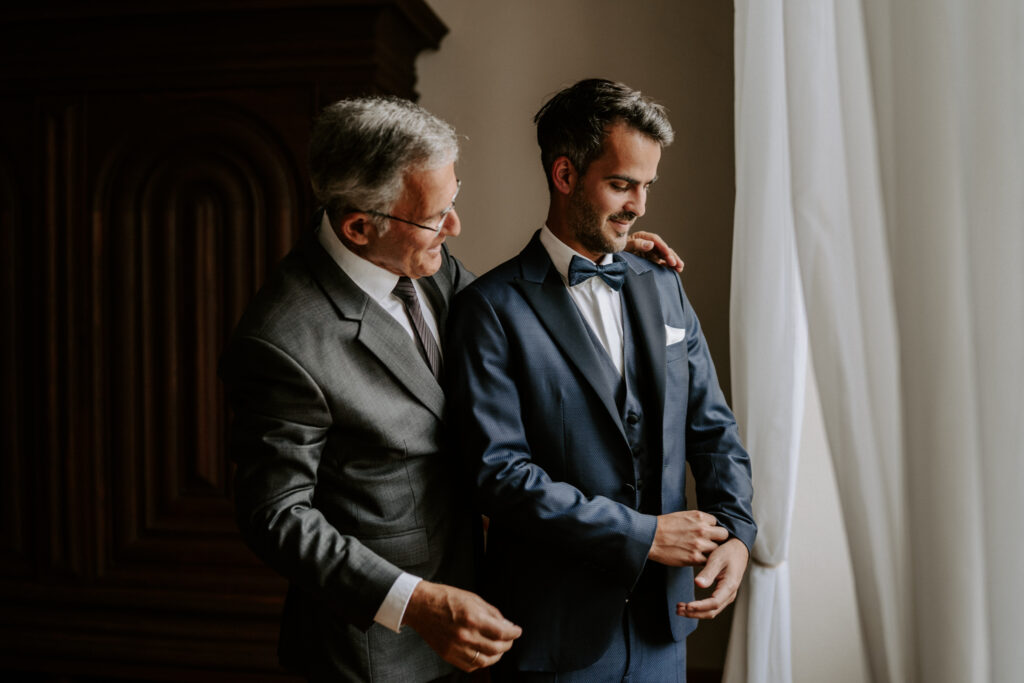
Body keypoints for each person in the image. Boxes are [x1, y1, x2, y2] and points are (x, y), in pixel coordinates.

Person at [220, 95, 683, 682]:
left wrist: (602, 259)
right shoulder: (280, 341)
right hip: (371, 654)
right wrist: (414, 602)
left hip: (485, 621)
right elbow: (277, 516)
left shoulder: (425, 262)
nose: (455, 227)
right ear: (359, 226)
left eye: (453, 200)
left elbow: (517, 313)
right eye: (436, 216)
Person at [446, 78, 757, 682]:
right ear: (565, 175)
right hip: (554, 633)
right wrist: (643, 535)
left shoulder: (663, 284)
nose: (639, 205)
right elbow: (499, 475)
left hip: (666, 626)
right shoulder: (490, 309)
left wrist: (737, 533)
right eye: (621, 184)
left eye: (647, 185)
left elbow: (713, 428)